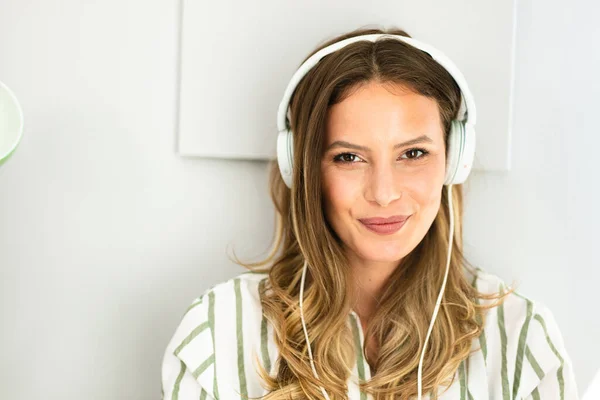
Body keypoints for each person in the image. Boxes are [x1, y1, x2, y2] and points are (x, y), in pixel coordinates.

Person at [161, 26, 578, 399]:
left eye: (413, 153)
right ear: (303, 169)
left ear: (454, 161)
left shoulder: (521, 338)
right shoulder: (218, 332)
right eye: (348, 157)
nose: (383, 193)